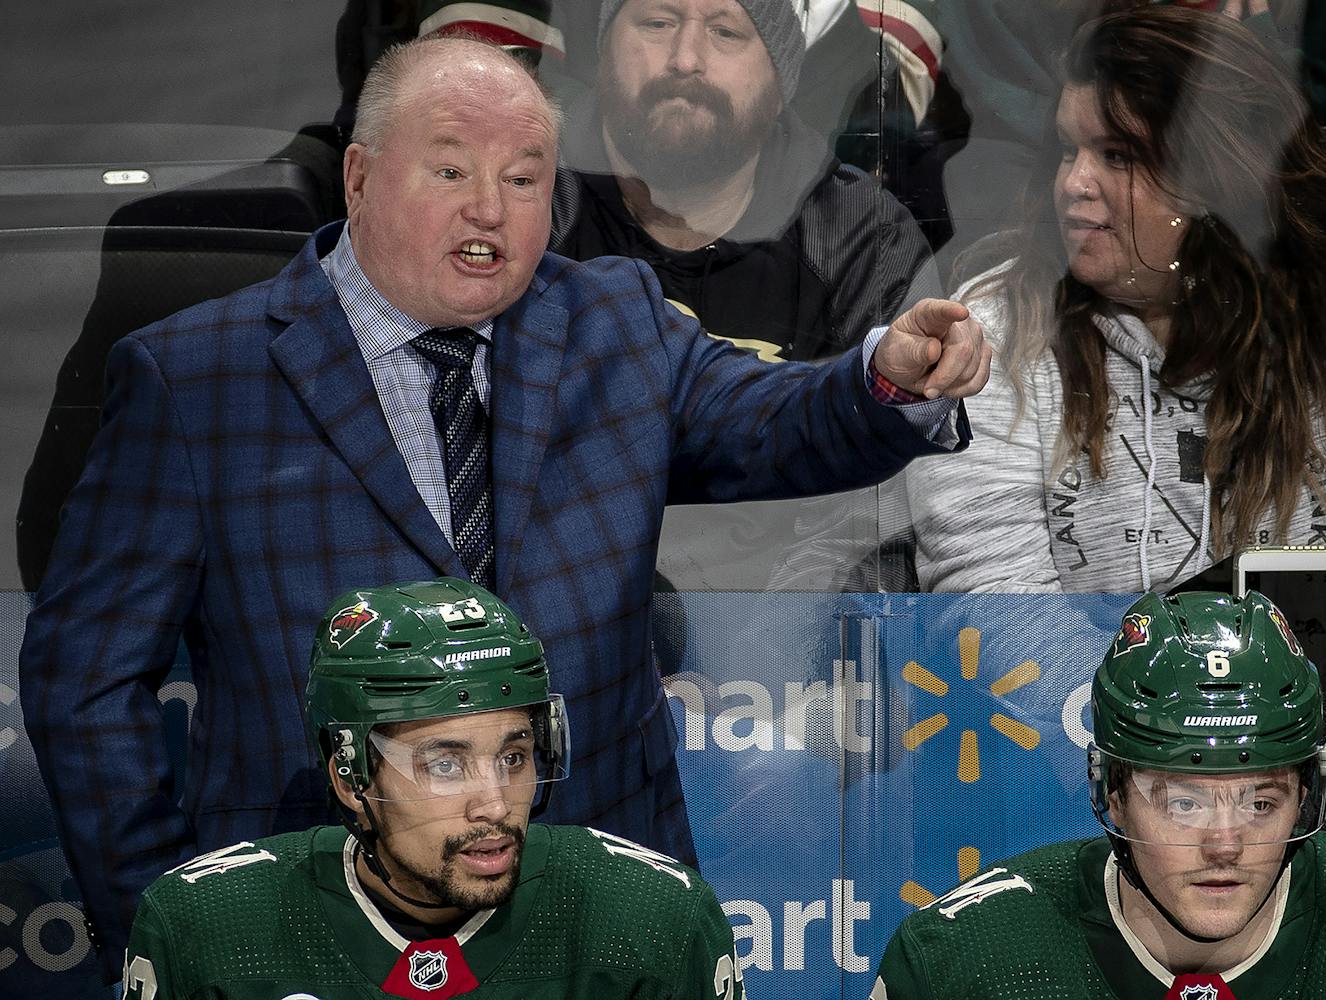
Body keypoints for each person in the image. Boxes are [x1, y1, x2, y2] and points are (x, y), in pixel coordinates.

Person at [19, 34, 989, 982]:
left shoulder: (614, 321)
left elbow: (777, 420)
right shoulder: (196, 379)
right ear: (358, 179)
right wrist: (175, 920)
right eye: (449, 171)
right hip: (310, 937)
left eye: (524, 178)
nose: (489, 206)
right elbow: (85, 682)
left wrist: (888, 377)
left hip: (590, 933)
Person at [908, 4, 1326, 593]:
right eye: (1067, 149)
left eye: (1118, 156)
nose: (1074, 182)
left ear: (1215, 175)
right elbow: (1000, 622)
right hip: (1081, 689)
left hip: (1324, 689)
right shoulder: (997, 332)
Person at [120, 578, 745, 999]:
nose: (495, 804)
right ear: (349, 774)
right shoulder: (201, 930)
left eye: (515, 755)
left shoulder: (655, 922)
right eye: (445, 765)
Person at [872, 589, 1326, 999]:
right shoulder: (960, 964)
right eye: (1184, 803)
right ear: (1111, 795)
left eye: (1260, 803)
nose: (1225, 845)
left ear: (1305, 794)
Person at [548, 0, 941, 362]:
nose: (685, 59)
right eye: (658, 23)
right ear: (605, 56)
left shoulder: (861, 242)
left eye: (725, 32)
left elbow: (897, 422)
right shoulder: (528, 187)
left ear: (779, 84)